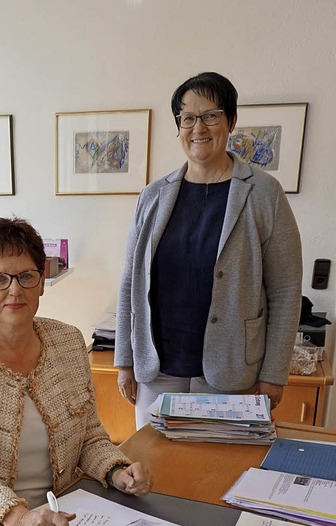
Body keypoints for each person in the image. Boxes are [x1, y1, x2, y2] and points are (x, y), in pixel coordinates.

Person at [0, 218, 151, 526]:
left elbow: (89, 438)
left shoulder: (70, 342)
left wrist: (117, 472)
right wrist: (18, 517)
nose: (15, 290)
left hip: (59, 509)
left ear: (42, 281)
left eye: (26, 276)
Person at [114, 71, 302, 430]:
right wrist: (125, 360)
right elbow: (129, 283)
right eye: (187, 118)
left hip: (231, 371)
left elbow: (286, 289)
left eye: (210, 115)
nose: (198, 127)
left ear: (230, 121)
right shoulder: (153, 196)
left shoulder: (263, 193)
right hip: (157, 369)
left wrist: (274, 374)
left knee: (218, 475)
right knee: (154, 471)